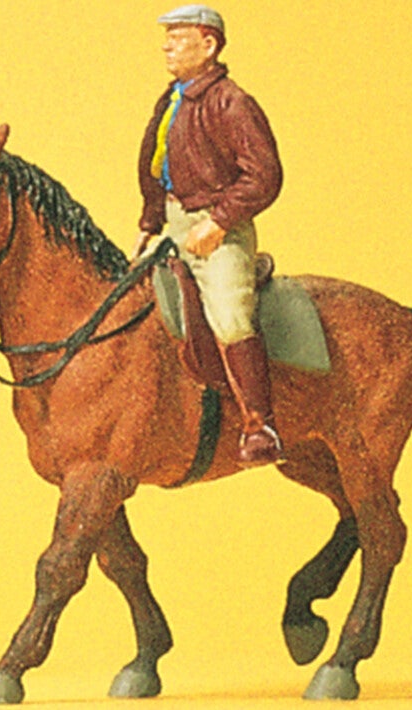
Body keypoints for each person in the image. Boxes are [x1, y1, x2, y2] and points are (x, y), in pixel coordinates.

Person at [132, 5, 285, 464]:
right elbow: (157, 165)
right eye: (167, 37)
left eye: (177, 37)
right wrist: (150, 223)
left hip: (220, 228)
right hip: (175, 224)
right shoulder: (172, 100)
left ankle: (260, 425)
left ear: (208, 44)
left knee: (231, 315)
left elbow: (264, 176)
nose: (166, 46)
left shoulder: (231, 103)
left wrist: (218, 223)